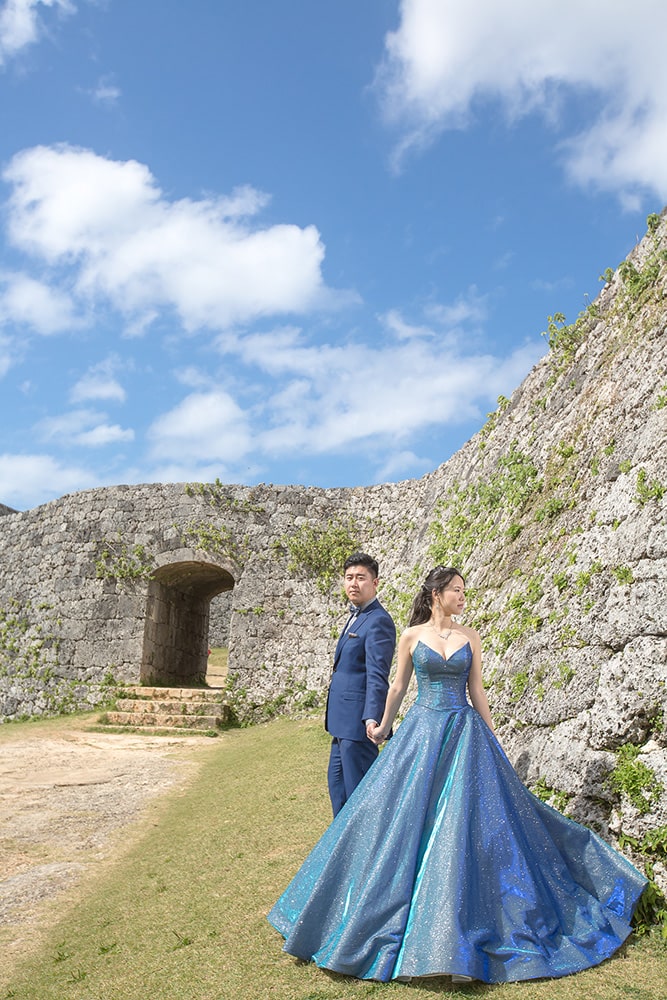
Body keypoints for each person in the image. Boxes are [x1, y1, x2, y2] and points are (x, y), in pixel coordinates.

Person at [268, 566, 647, 985]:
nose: (463, 597)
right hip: (423, 732)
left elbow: (477, 690)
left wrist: (492, 736)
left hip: (465, 733)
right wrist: (380, 726)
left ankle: (463, 932)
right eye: (456, 591)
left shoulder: (471, 637)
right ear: (436, 594)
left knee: (470, 827)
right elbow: (397, 688)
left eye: (464, 591)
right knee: (390, 821)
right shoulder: (411, 637)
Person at [324, 552, 396, 816]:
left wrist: (372, 719)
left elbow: (378, 674)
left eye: (360, 578)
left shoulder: (379, 621)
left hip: (359, 727)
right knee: (339, 792)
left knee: (361, 799)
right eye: (349, 578)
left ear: (375, 583)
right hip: (340, 724)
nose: (353, 584)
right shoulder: (355, 616)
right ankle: (343, 852)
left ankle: (368, 852)